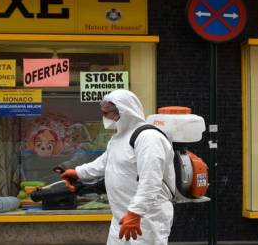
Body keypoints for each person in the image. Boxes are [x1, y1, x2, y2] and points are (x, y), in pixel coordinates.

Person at [60, 89, 175, 244]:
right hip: (121, 216)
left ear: (124, 111)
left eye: (108, 112)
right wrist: (78, 172)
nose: (105, 116)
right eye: (103, 112)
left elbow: (151, 181)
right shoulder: (118, 138)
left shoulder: (148, 138)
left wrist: (136, 212)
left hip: (146, 219)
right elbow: (103, 163)